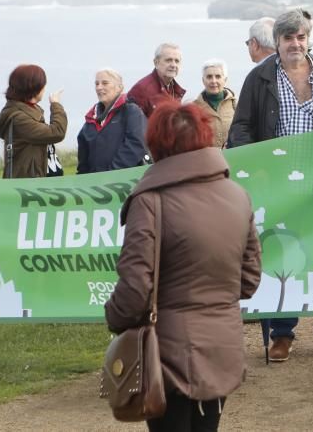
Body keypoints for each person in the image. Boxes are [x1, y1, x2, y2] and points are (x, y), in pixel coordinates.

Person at [105, 103, 262, 432]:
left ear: (157, 144)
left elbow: (135, 289)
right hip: (222, 345)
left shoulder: (149, 201)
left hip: (167, 351)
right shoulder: (237, 195)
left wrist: (115, 317)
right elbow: (248, 281)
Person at [226, 9, 313, 361]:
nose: (295, 44)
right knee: (280, 253)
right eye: (287, 38)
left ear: (308, 38)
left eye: (300, 37)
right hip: (279, 186)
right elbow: (241, 128)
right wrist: (259, 168)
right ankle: (282, 332)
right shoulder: (259, 78)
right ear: (277, 42)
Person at [0, 64, 67, 179]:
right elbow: (57, 132)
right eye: (43, 85)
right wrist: (56, 105)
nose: (44, 88)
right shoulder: (19, 119)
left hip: (35, 185)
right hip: (27, 189)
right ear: (34, 87)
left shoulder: (30, 111)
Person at [76, 69, 148, 174]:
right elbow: (83, 161)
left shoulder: (131, 111)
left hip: (124, 182)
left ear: (119, 88)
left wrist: (112, 174)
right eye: (97, 84)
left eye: (105, 83)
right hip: (97, 185)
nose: (99, 87)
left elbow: (136, 144)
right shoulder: (90, 120)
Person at [128, 43, 186, 118]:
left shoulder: (175, 89)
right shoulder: (141, 89)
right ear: (156, 62)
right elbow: (134, 126)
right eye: (168, 60)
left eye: (177, 61)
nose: (173, 65)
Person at [192, 60, 237, 148]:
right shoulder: (194, 108)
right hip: (207, 159)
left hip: (232, 158)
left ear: (225, 79)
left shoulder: (235, 104)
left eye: (218, 76)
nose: (213, 81)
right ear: (203, 80)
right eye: (209, 77)